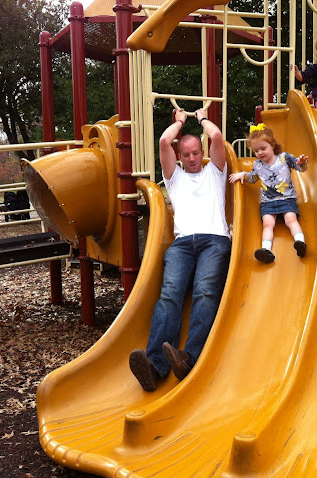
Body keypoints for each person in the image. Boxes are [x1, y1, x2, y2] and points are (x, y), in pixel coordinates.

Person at [129, 108, 232, 392]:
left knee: (205, 291)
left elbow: (217, 136)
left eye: (196, 153)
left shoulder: (215, 172)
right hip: (182, 244)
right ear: (179, 157)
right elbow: (164, 142)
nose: (192, 158)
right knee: (169, 295)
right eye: (186, 154)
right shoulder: (174, 177)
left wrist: (201, 119)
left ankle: (189, 357)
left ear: (203, 152)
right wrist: (179, 122)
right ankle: (155, 366)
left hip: (214, 240)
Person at [228, 123, 309, 264]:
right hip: (268, 202)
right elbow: (253, 178)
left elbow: (300, 168)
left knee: (290, 219)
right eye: (256, 151)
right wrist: (243, 175)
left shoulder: (284, 158)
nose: (260, 153)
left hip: (286, 198)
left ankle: (300, 242)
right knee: (267, 224)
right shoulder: (258, 165)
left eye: (263, 148)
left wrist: (302, 163)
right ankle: (266, 250)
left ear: (272, 145)